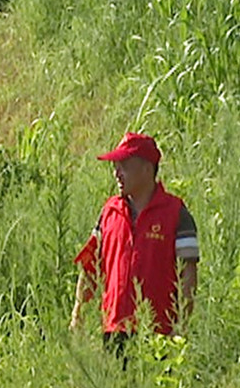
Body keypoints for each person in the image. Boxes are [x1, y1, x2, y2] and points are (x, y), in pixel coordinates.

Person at [71, 132, 200, 347]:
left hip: (158, 336)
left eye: (124, 166)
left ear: (147, 169)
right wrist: (78, 314)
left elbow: (188, 274)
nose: (117, 173)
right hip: (114, 333)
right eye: (115, 166)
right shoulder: (109, 212)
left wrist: (181, 326)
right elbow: (90, 266)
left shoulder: (175, 213)